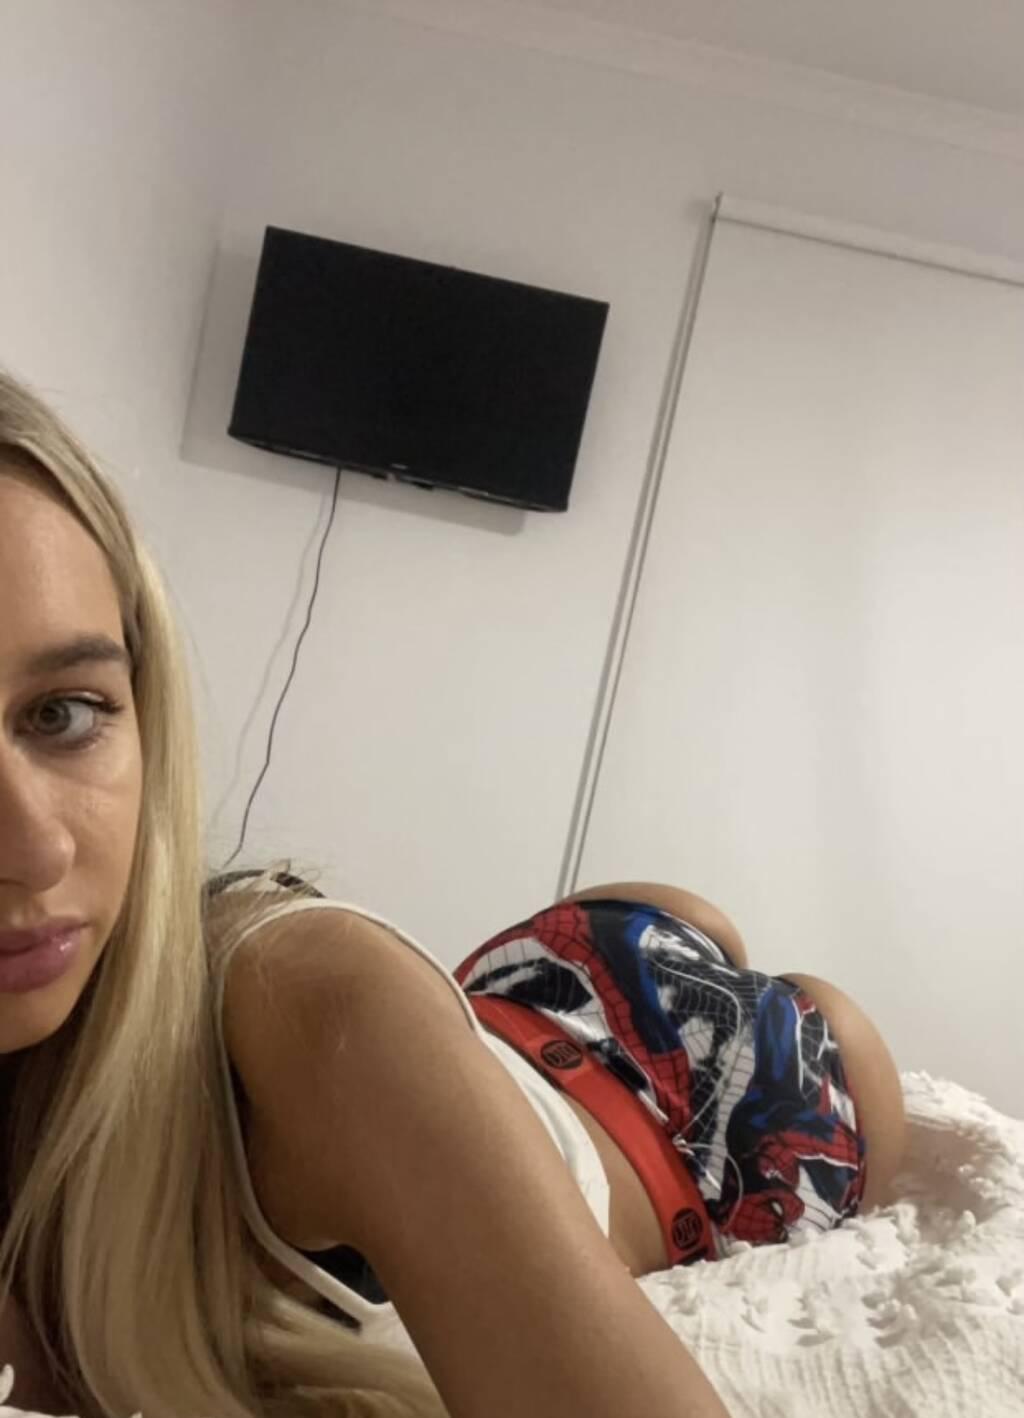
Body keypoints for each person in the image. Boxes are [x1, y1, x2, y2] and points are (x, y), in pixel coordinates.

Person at [0, 367, 905, 1418]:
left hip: (700, 1112)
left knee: (811, 1001)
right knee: (695, 922)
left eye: (63, 713)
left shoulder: (313, 1001)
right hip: (517, 1007)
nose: (36, 846)